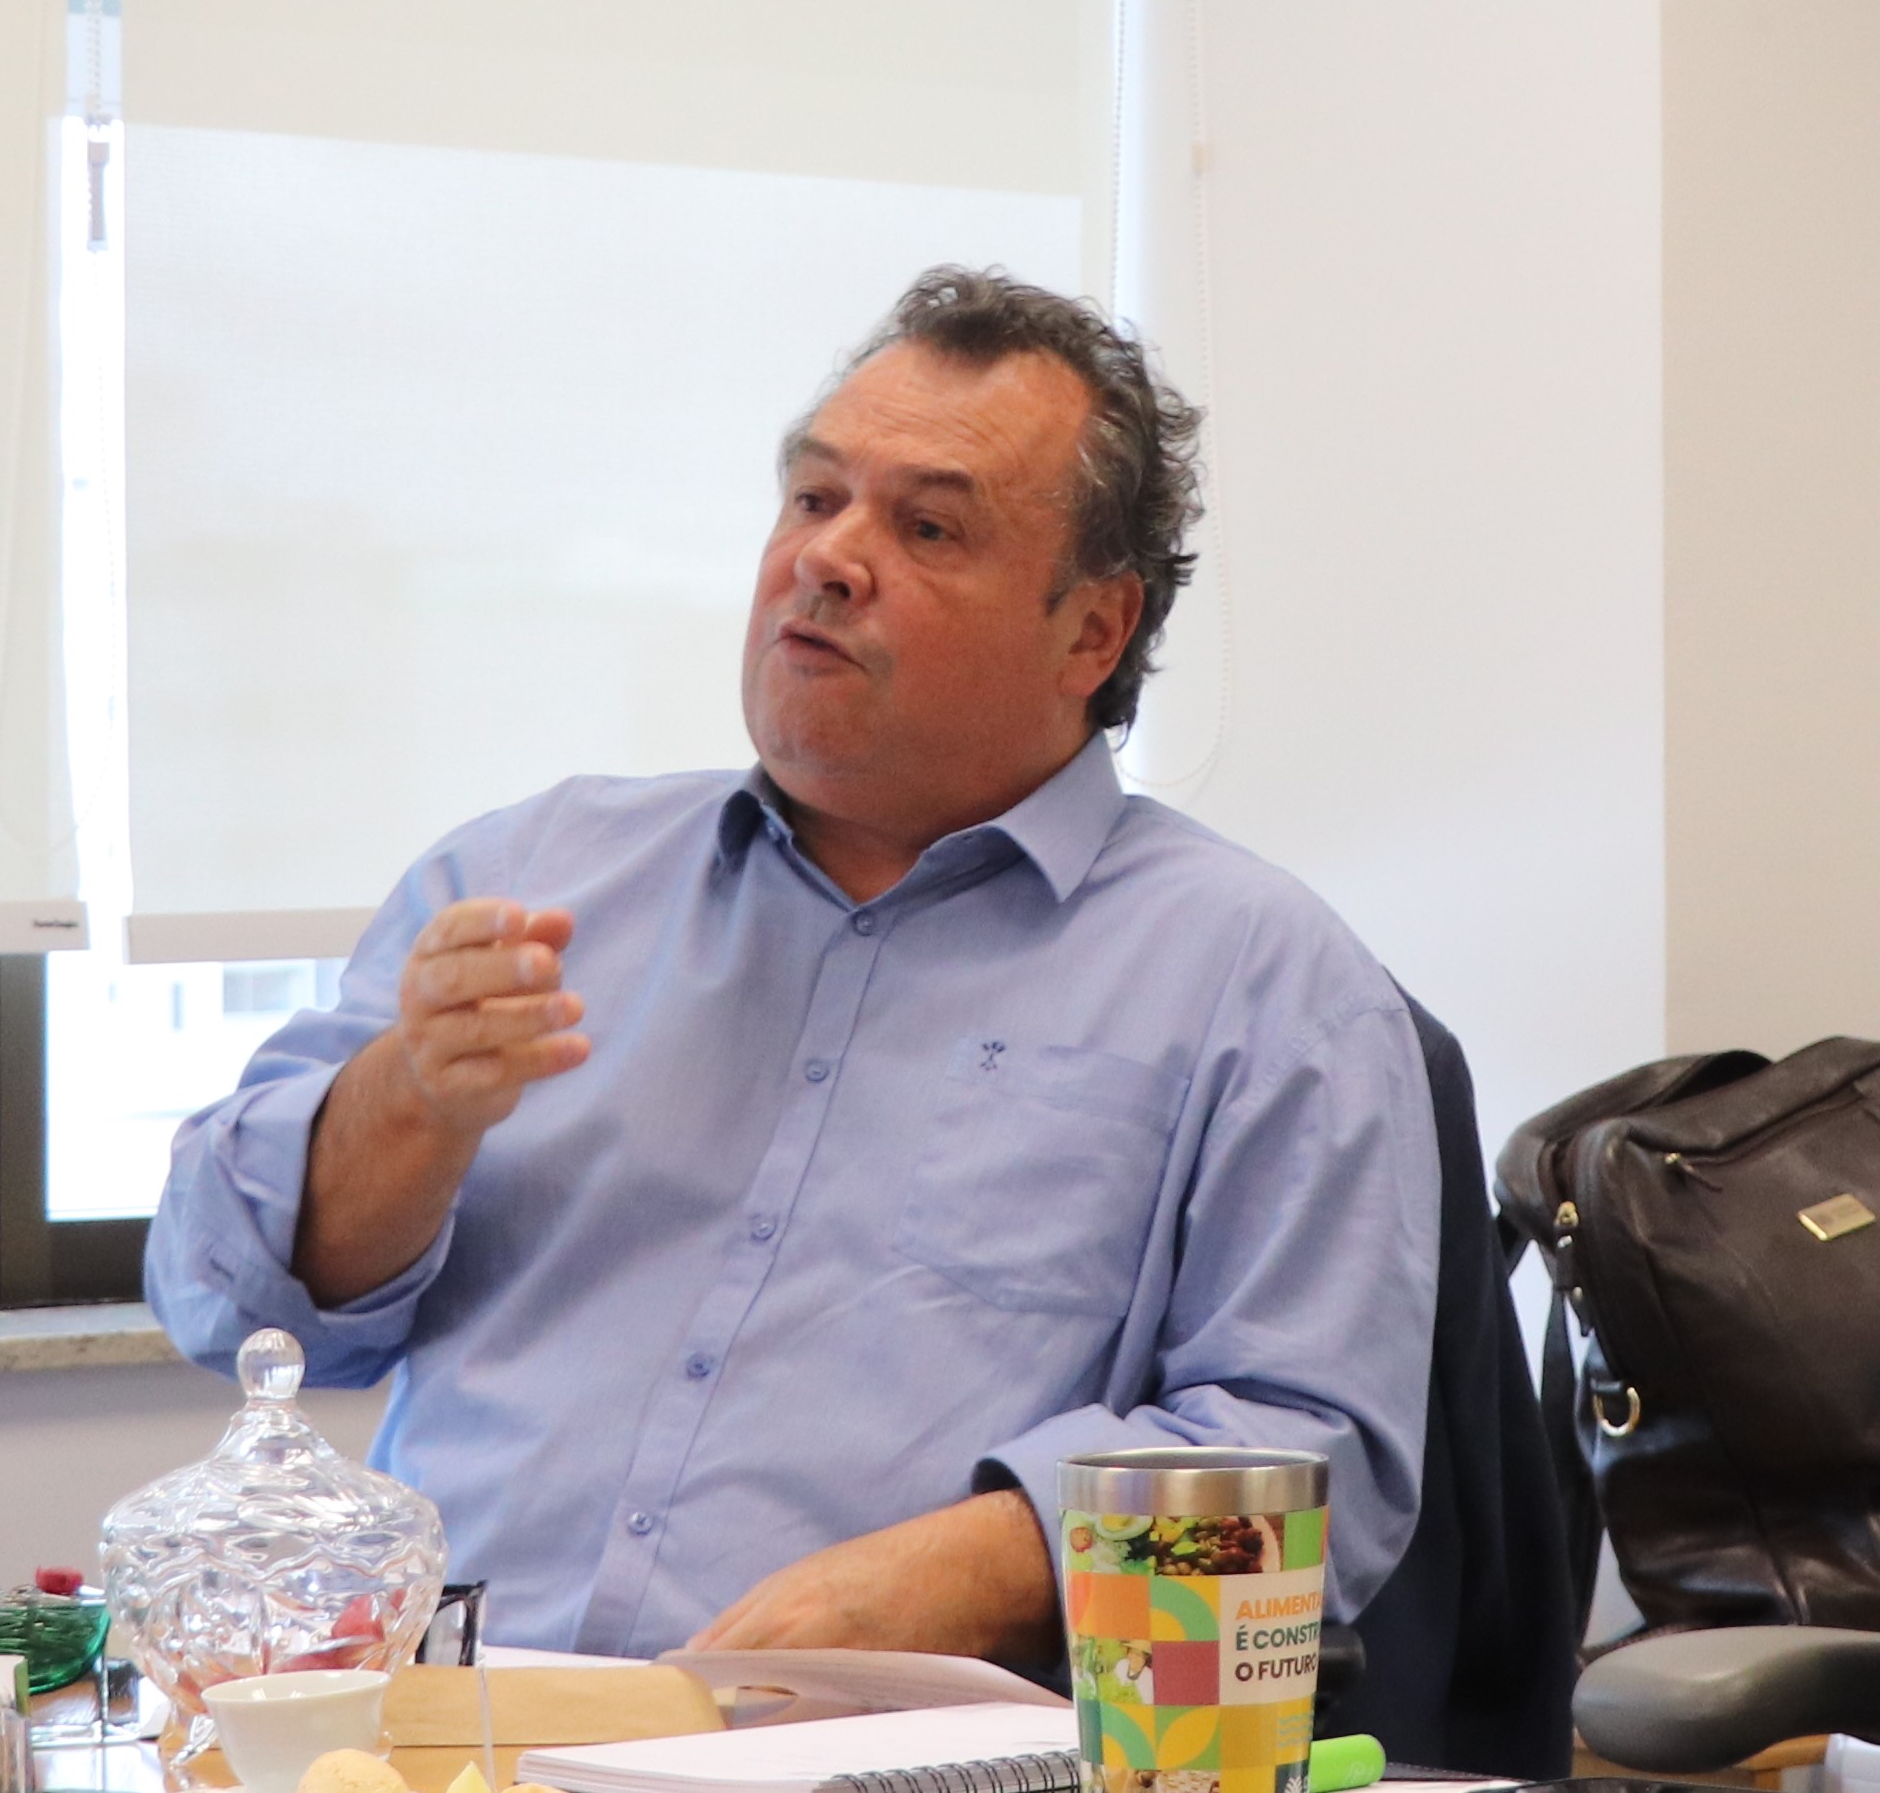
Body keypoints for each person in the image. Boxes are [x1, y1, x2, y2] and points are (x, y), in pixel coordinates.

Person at [149, 268, 1434, 1665]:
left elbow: (1317, 1497)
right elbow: (223, 1308)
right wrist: (407, 1101)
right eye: (814, 497)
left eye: (927, 526)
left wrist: (995, 1559)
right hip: (442, 1725)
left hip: (885, 1741)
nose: (828, 558)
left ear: (1091, 631)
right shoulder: (529, 878)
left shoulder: (1263, 983)